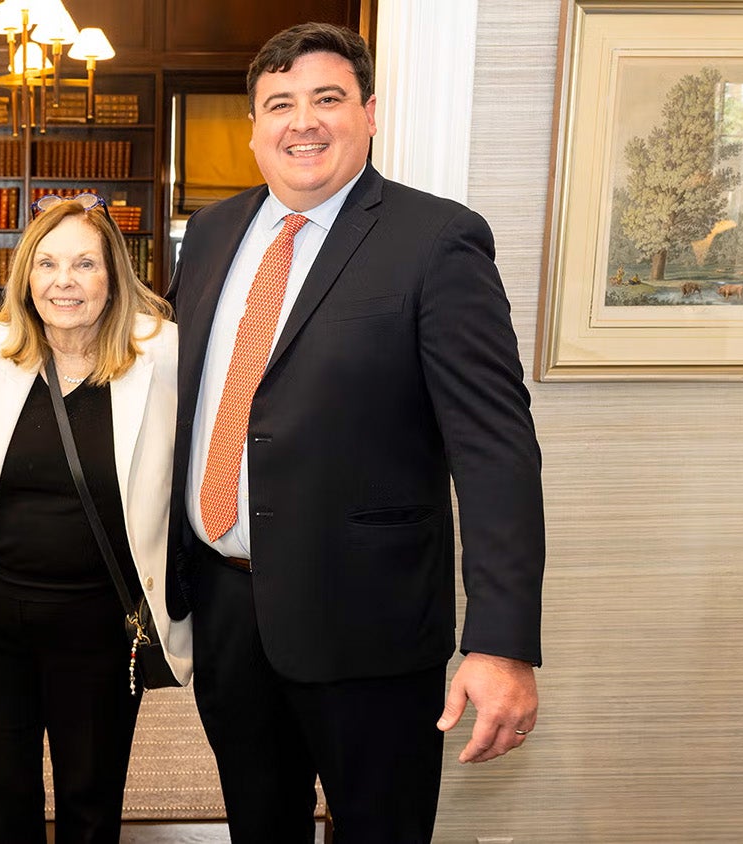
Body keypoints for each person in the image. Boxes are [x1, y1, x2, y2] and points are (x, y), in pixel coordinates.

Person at [165, 23, 545, 841]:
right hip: (228, 609)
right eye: (279, 104)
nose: (302, 122)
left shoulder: (436, 241)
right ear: (254, 127)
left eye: (327, 99)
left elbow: (495, 451)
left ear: (370, 114)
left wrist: (502, 644)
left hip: (368, 626)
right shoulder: (212, 233)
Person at [0, 194, 193, 843]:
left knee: (91, 803)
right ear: (26, 275)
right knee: (3, 801)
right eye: (48, 263)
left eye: (85, 263)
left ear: (113, 275)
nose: (65, 281)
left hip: (102, 625)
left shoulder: (162, 353)